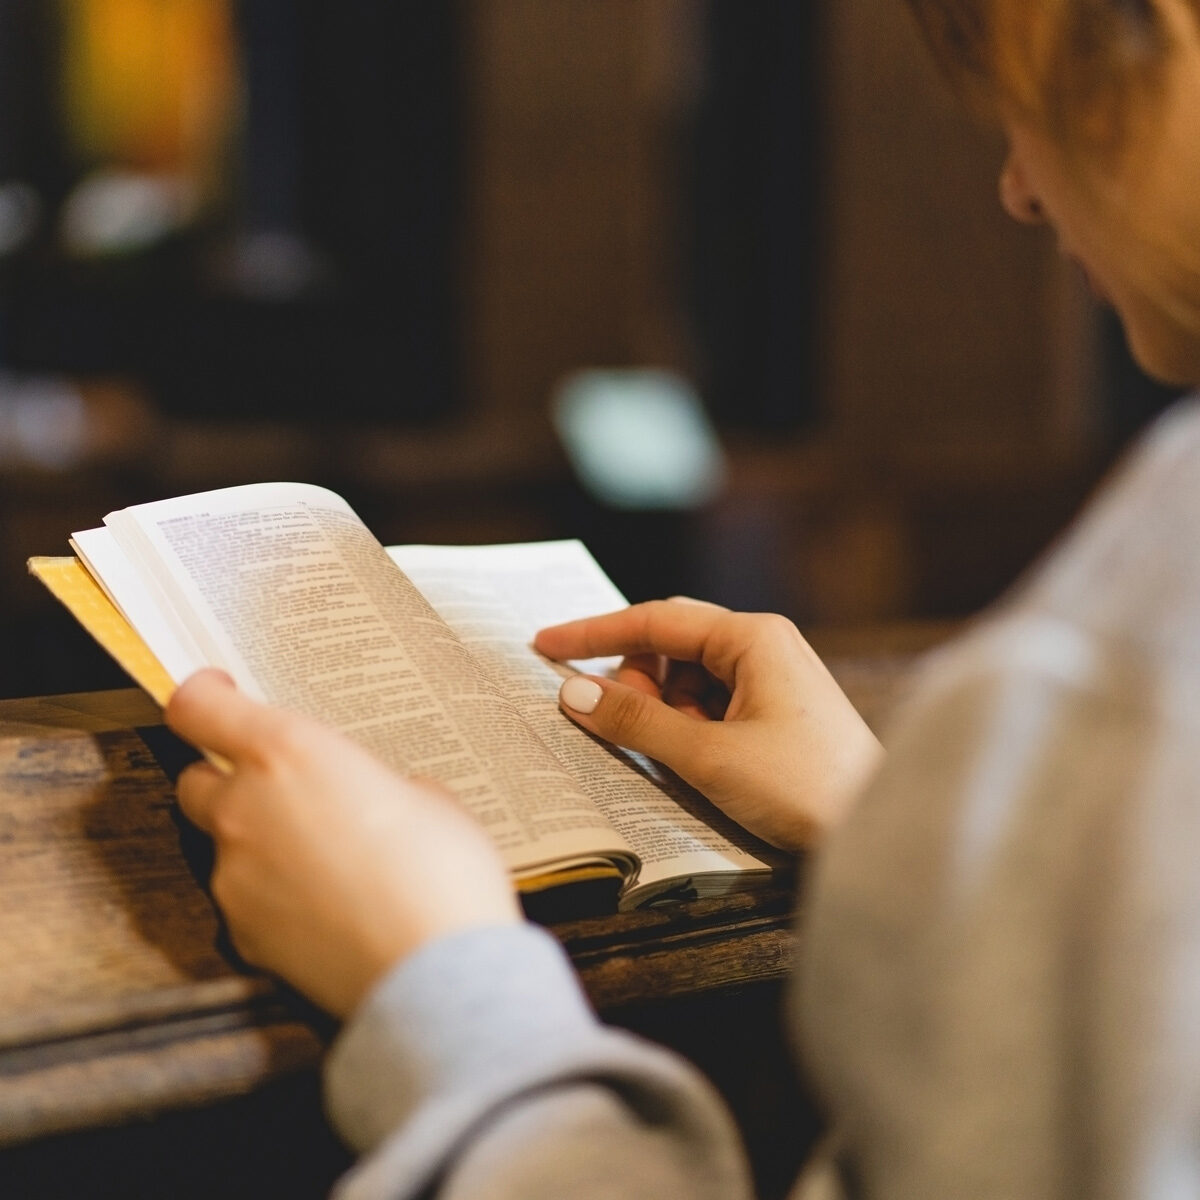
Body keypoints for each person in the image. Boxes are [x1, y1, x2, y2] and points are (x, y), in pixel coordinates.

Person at [164, 0, 1200, 1195]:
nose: (1018, 184)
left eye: (1038, 94)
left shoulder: (1126, 674)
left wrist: (443, 991)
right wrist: (882, 828)